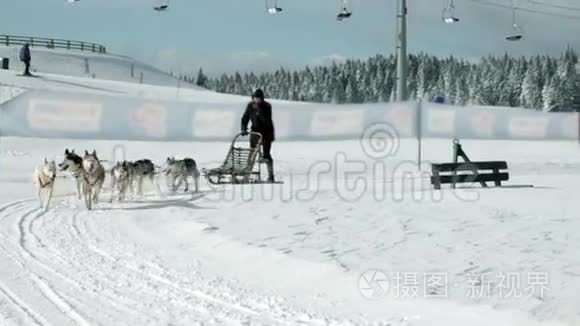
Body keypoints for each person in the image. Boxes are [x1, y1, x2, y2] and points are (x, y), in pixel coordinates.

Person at [241, 89, 275, 182]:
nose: (257, 100)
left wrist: (259, 110)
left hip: (266, 132)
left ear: (262, 98)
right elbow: (245, 118)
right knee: (252, 154)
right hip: (255, 132)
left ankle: (271, 176)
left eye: (258, 99)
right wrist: (243, 128)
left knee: (266, 155)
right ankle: (247, 176)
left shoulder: (267, 106)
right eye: (255, 98)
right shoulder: (250, 105)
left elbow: (266, 120)